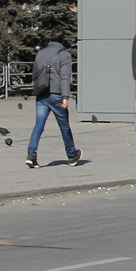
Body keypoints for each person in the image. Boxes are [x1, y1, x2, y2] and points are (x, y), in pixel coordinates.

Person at [26, 27, 82, 168]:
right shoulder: (65, 55)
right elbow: (65, 77)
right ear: (63, 39)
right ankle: (71, 155)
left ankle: (31, 155)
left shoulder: (41, 53)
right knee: (64, 125)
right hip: (57, 95)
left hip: (42, 94)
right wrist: (65, 96)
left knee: (39, 125)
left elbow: (35, 73)